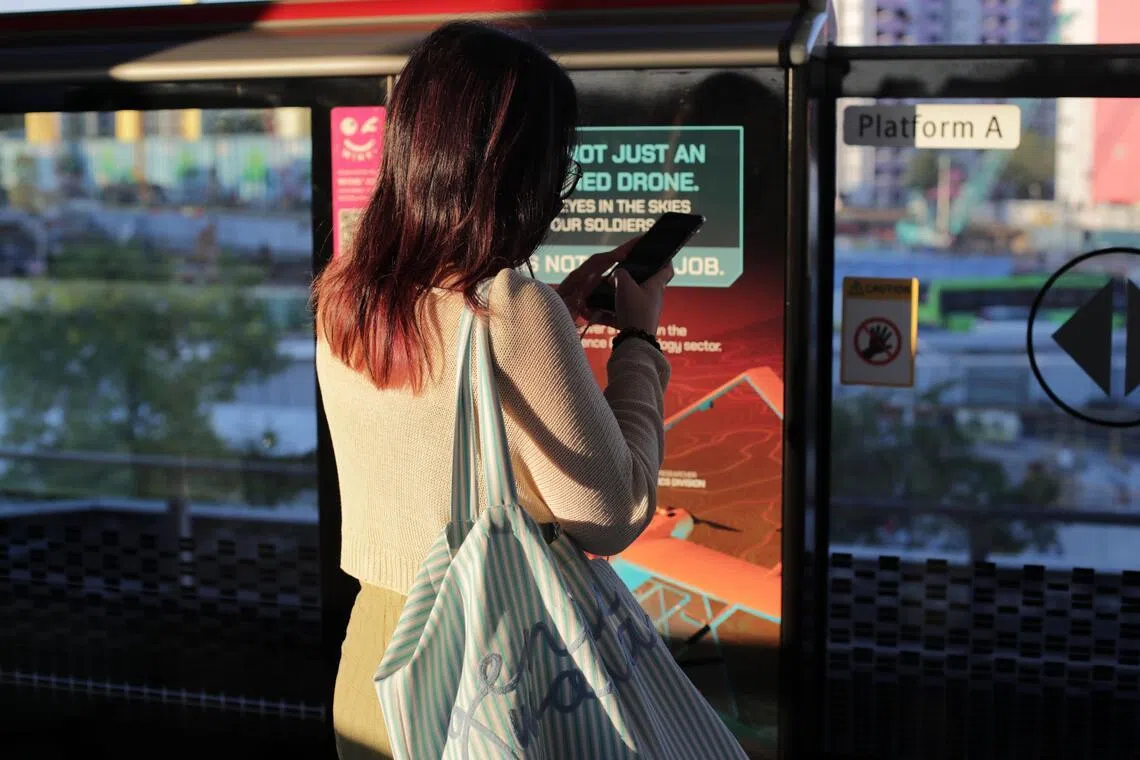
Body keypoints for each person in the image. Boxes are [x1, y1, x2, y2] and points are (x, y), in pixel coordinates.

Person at [311, 21, 672, 760]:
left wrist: (563, 314)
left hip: (376, 660)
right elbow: (615, 513)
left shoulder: (346, 292)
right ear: (520, 174)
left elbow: (431, 394)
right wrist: (638, 342)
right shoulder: (512, 309)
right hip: (495, 664)